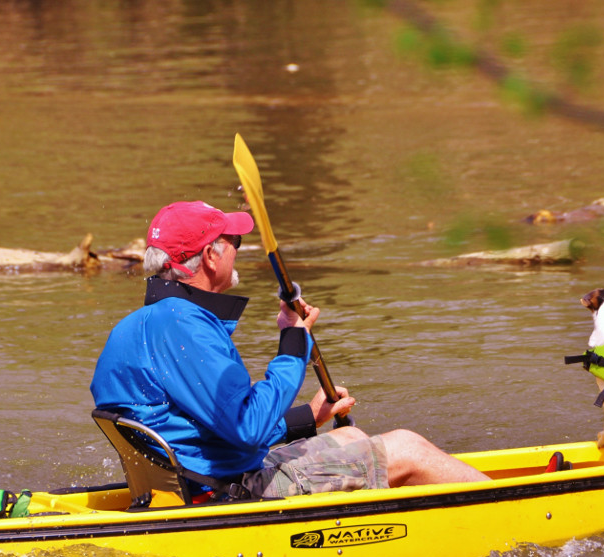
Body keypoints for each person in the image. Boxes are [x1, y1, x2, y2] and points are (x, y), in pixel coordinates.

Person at [90, 200, 489, 502]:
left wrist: (306, 419)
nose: (237, 250)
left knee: (357, 438)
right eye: (233, 242)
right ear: (210, 256)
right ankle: (523, 506)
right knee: (407, 448)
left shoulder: (136, 326)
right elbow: (248, 430)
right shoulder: (184, 326)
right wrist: (293, 343)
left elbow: (211, 427)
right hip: (227, 492)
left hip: (194, 481)